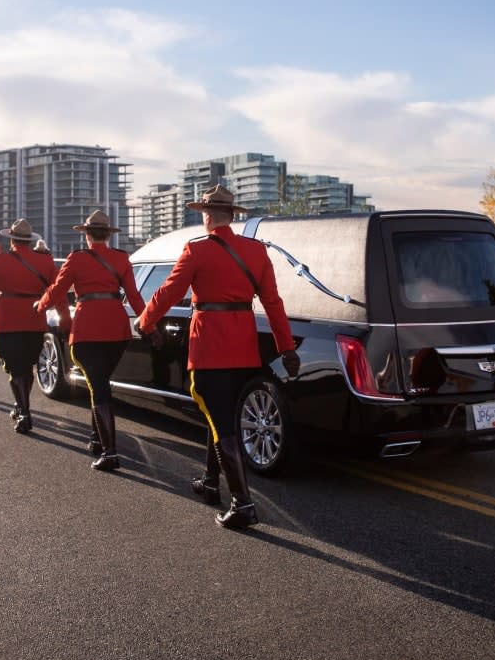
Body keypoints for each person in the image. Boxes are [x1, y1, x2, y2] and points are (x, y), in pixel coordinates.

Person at [135, 185, 299, 529]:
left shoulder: (197, 250)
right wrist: (286, 348)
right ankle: (211, 482)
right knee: (220, 416)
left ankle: (243, 504)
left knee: (221, 423)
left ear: (207, 216)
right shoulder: (256, 252)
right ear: (233, 215)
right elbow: (273, 303)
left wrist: (145, 320)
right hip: (243, 348)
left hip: (209, 346)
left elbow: (169, 291)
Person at [38, 209, 145, 470]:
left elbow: (57, 291)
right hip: (117, 329)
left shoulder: (76, 259)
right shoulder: (121, 259)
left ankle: (110, 452)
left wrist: (39, 306)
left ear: (87, 234)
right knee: (100, 383)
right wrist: (146, 321)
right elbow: (133, 296)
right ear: (107, 235)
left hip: (88, 329)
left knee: (98, 386)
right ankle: (97, 438)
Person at [0, 219, 70, 434]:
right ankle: (21, 406)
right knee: (26, 367)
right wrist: (64, 317)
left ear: (11, 239)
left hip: (7, 319)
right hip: (34, 319)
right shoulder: (45, 262)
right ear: (29, 241)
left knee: (15, 368)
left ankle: (24, 412)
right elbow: (58, 291)